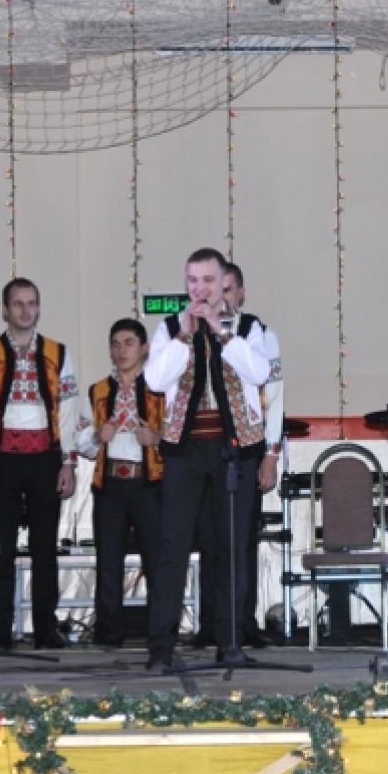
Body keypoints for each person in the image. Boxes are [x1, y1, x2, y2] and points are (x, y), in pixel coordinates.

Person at [143, 247, 272, 670]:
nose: (201, 289)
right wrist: (185, 335)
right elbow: (156, 380)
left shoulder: (248, 328)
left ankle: (229, 640)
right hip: (185, 453)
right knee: (173, 548)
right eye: (193, 281)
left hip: (235, 453)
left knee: (231, 549)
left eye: (209, 281)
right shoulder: (169, 328)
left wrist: (222, 333)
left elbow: (260, 373)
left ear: (223, 283)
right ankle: (161, 647)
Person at [0, 278, 79, 650]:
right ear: (5, 310)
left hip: (44, 458)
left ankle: (45, 629)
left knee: (44, 547)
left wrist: (67, 463)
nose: (25, 310)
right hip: (2, 459)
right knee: (0, 548)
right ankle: (0, 630)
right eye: (18, 303)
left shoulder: (57, 353)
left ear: (39, 308)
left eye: (31, 303)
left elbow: (68, 411)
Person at [186, 261, 281, 649]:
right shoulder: (191, 329)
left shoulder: (256, 332)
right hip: (200, 446)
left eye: (227, 290)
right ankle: (210, 623)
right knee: (207, 538)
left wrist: (271, 453)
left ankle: (241, 623)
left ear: (240, 293)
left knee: (239, 540)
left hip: (244, 447)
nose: (219, 297)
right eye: (214, 289)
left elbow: (273, 394)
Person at [78, 318, 166, 648]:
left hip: (149, 483)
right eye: (115, 344)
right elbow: (81, 441)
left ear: (144, 348)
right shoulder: (98, 391)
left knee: (156, 561)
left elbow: (179, 438)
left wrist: (156, 439)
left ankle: (160, 631)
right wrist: (97, 437)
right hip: (111, 483)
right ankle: (109, 632)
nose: (121, 350)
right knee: (108, 561)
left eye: (129, 343)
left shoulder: (161, 389)